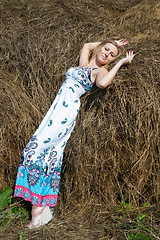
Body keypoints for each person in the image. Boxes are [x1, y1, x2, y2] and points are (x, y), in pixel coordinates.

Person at [14, 39, 136, 229]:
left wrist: (120, 63)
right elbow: (87, 45)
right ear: (100, 47)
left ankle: (39, 210)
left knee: (35, 150)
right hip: (56, 110)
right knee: (46, 155)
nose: (107, 55)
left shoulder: (99, 71)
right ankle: (39, 212)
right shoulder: (85, 65)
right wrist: (112, 40)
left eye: (112, 55)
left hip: (65, 111)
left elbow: (103, 84)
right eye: (106, 49)